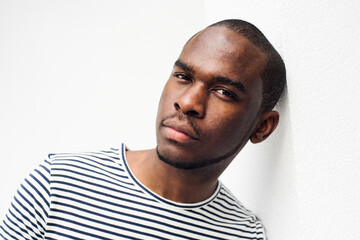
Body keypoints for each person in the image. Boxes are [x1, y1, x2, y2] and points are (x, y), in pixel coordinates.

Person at [0, 19, 286, 239]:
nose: (187, 103)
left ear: (262, 127)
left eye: (223, 92)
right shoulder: (58, 184)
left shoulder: (242, 233)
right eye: (183, 77)